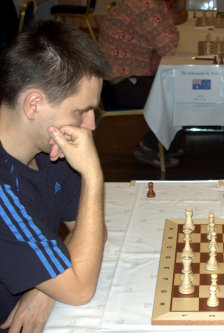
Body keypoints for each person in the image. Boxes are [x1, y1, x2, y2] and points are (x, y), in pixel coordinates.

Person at [0, 21, 108, 332]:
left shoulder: (51, 148)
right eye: (80, 111)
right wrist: (93, 176)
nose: (90, 126)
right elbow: (79, 290)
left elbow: (92, 230)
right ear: (34, 104)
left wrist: (42, 288)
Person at [98, 0, 184, 168]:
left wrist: (164, 42)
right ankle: (148, 147)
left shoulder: (156, 3)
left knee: (178, 86)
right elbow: (168, 47)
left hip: (131, 76)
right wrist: (163, 44)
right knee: (176, 94)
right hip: (119, 85)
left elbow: (171, 31)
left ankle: (166, 145)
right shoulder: (144, 4)